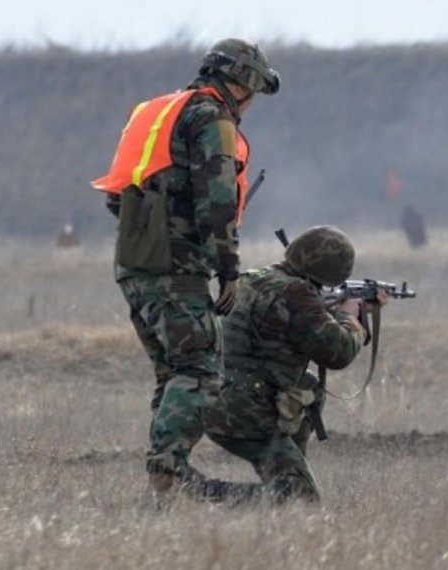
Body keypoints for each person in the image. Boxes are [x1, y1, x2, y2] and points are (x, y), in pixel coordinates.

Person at [90, 39, 280, 496]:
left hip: (135, 262)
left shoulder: (158, 112)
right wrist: (227, 268)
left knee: (173, 372)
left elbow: (122, 195)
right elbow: (215, 200)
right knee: (198, 371)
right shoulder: (211, 118)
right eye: (253, 93)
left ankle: (170, 478)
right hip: (177, 267)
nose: (251, 105)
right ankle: (168, 474)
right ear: (241, 83)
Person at [185, 225, 389, 504]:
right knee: (298, 501)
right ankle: (199, 494)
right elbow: (338, 352)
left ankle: (288, 468)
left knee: (307, 385)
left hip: (212, 399)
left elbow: (285, 325)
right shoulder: (297, 295)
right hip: (246, 413)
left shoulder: (254, 279)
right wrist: (350, 316)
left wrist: (338, 312)